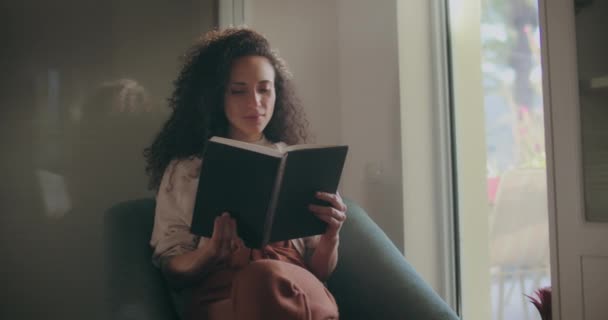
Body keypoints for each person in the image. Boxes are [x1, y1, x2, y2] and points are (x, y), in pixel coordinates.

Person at [144, 28, 347, 320]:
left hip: (296, 286)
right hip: (223, 298)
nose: (255, 102)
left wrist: (331, 237)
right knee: (260, 282)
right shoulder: (186, 170)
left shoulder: (296, 161)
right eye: (238, 90)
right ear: (215, 96)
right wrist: (210, 252)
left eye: (265, 89)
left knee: (271, 280)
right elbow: (171, 269)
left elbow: (319, 271)